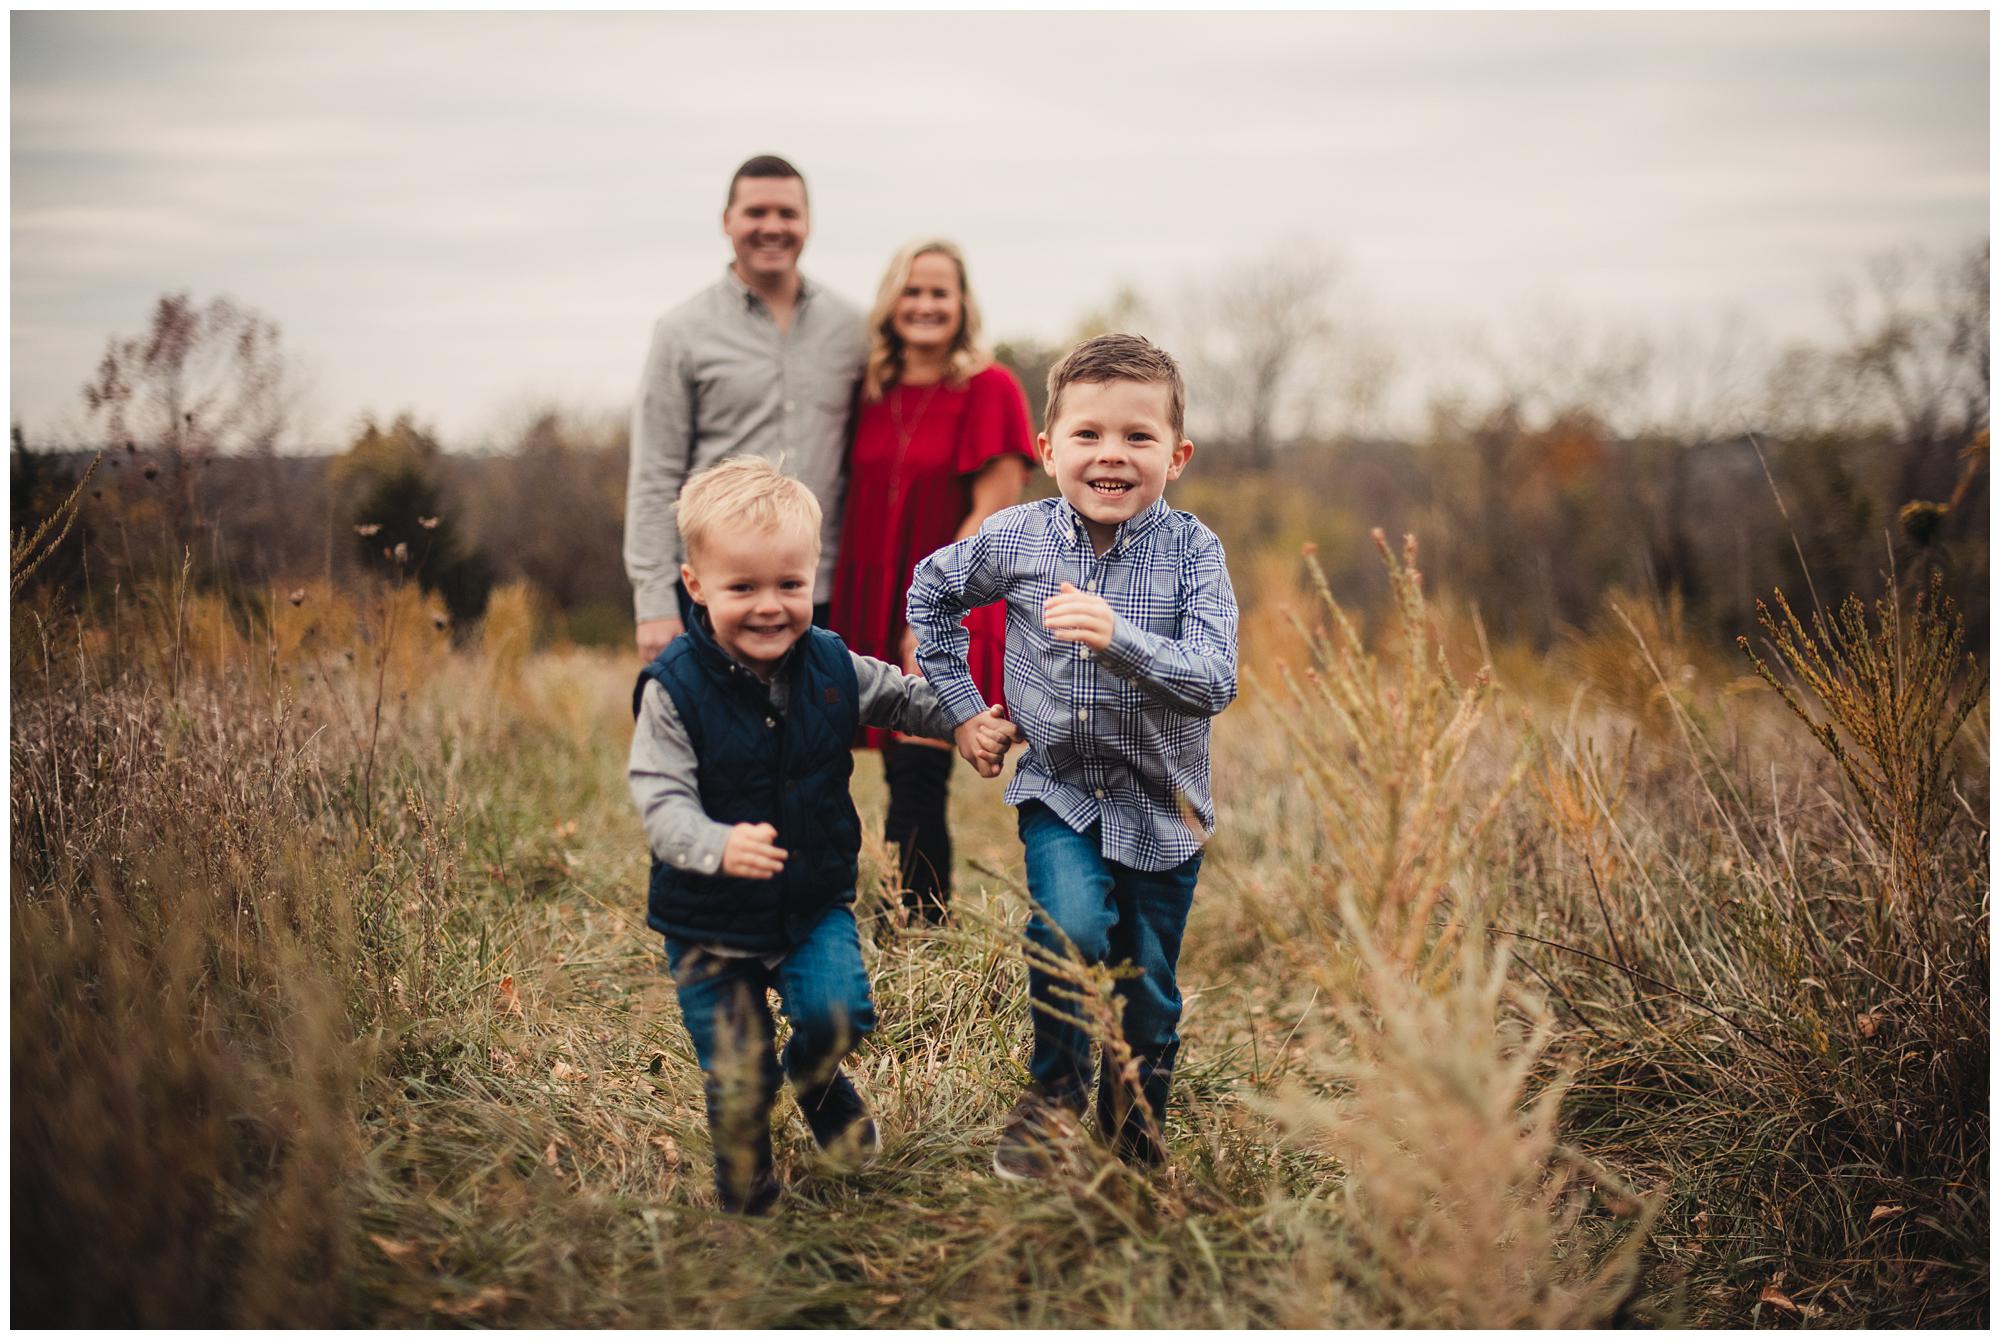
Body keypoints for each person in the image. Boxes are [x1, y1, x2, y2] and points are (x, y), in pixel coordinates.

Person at [629, 457, 1018, 1214]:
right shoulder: (675, 689)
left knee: (840, 1014)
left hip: (811, 904)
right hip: (708, 921)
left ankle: (816, 1081)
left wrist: (966, 718)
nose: (769, 607)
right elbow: (660, 798)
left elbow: (905, 700)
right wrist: (716, 845)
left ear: (814, 575)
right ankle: (749, 1204)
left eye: (789, 585)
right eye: (742, 588)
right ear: (696, 584)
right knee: (739, 1074)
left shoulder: (831, 663)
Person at [906, 333, 1239, 1179]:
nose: (1112, 456)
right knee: (1071, 932)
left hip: (1166, 810)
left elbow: (1214, 680)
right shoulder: (1015, 538)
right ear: (1049, 449)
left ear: (1178, 454)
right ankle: (1051, 1102)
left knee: (1149, 995)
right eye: (1088, 435)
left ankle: (1132, 1142)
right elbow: (930, 595)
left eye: (1138, 437)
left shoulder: (1196, 554)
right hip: (1059, 792)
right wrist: (963, 712)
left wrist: (1121, 638)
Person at [829, 239, 1034, 925]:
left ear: (962, 304)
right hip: (865, 583)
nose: (925, 306)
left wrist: (934, 609)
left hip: (947, 589)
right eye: (912, 291)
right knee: (871, 758)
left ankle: (919, 924)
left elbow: (995, 509)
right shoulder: (869, 386)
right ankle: (856, 902)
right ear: (892, 302)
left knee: (919, 762)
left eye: (940, 293)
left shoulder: (989, 387)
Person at [624, 154, 867, 663]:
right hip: (716, 593)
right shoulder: (682, 332)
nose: (772, 227)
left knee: (815, 740)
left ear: (808, 223)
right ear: (726, 221)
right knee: (715, 740)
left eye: (787, 214)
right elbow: (655, 473)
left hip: (819, 587)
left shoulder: (854, 330)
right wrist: (652, 602)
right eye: (756, 213)